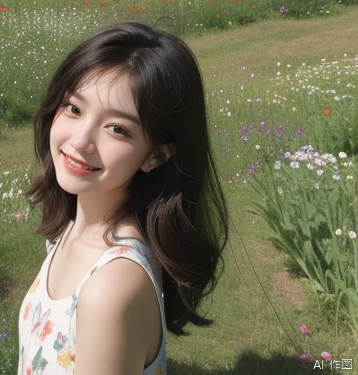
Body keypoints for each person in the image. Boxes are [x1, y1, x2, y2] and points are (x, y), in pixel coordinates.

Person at [18, 22, 228, 375]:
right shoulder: (73, 228)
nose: (81, 140)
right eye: (73, 108)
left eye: (117, 128)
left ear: (157, 156)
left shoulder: (111, 288)